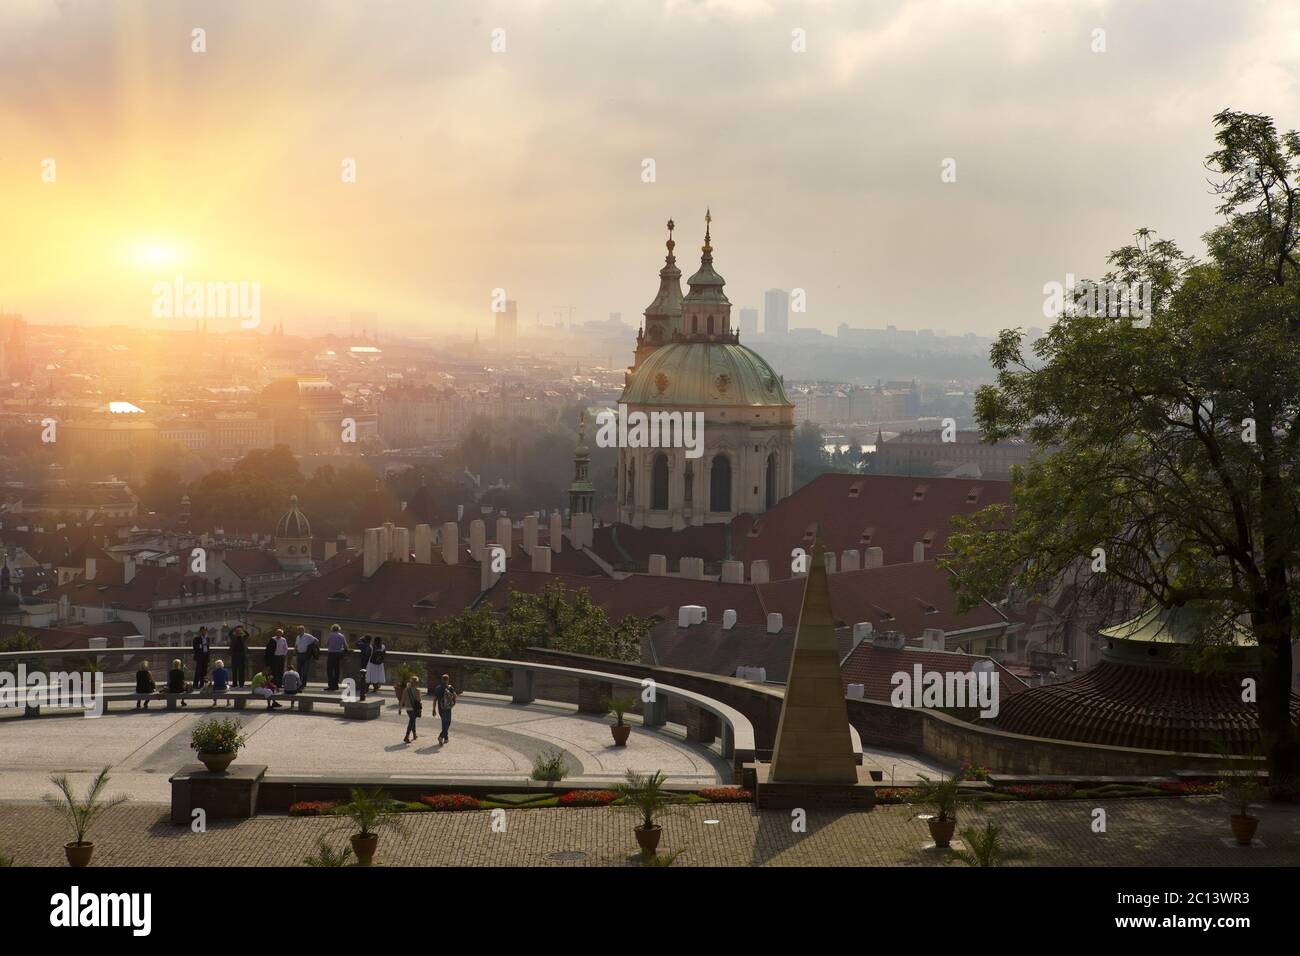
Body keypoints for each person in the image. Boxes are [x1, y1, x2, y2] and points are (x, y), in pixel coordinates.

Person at [432, 673, 457, 744]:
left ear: (442, 679)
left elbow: (435, 699)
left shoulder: (437, 688)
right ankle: (441, 736)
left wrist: (433, 709)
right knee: (448, 723)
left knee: (443, 722)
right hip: (448, 708)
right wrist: (453, 703)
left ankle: (446, 738)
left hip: (441, 707)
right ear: (448, 680)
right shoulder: (450, 687)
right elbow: (455, 696)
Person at [324, 624, 348, 691]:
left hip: (331, 654)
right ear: (339, 629)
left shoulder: (330, 635)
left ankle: (331, 686)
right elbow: (346, 646)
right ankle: (336, 685)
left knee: (330, 670)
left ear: (332, 629)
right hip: (338, 654)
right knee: (337, 670)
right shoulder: (341, 636)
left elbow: (326, 644)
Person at [402, 675, 422, 744]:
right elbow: (418, 700)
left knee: (413, 720)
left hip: (407, 708)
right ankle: (406, 736)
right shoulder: (417, 690)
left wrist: (400, 708)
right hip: (414, 708)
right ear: (416, 683)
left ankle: (414, 734)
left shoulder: (406, 689)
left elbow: (402, 698)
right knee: (411, 721)